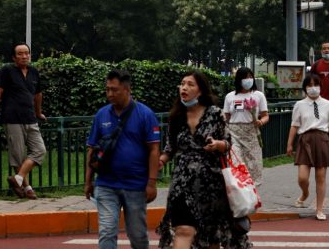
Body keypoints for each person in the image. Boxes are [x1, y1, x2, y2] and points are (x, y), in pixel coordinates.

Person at [157, 71, 251, 249]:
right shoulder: (176, 116)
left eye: (190, 84)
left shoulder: (215, 113)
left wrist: (217, 144)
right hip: (182, 183)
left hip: (211, 184)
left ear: (200, 90)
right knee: (183, 229)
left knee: (211, 237)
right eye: (182, 83)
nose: (184, 87)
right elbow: (170, 147)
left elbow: (228, 143)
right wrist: (161, 160)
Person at [85, 70, 160, 249]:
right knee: (107, 231)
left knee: (137, 235)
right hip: (106, 184)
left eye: (115, 90)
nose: (110, 94)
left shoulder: (145, 114)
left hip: (136, 185)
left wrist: (151, 182)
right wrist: (88, 181)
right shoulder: (101, 115)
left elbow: (154, 150)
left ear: (127, 89)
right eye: (107, 89)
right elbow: (91, 149)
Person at [0, 43, 46, 200]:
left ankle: (17, 179)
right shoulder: (7, 70)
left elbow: (38, 95)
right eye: (20, 54)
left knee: (40, 150)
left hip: (31, 118)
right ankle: (27, 188)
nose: (24, 56)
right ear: (14, 57)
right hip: (12, 119)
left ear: (30, 55)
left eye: (26, 53)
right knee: (18, 156)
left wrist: (39, 113)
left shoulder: (34, 72)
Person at [286, 73, 329, 221]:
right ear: (305, 88)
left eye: (316, 85)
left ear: (321, 87)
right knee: (303, 177)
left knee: (321, 177)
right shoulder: (299, 105)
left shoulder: (328, 104)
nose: (313, 88)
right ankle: (305, 193)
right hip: (305, 140)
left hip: (322, 140)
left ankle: (319, 209)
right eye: (309, 85)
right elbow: (294, 125)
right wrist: (289, 144)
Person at [223, 67, 269, 187]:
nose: (248, 80)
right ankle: (238, 192)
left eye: (250, 77)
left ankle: (251, 195)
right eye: (245, 77)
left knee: (253, 165)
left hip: (252, 134)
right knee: (235, 162)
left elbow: (265, 115)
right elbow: (226, 117)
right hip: (234, 134)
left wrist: (261, 122)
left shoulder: (258, 95)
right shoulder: (230, 97)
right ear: (239, 79)